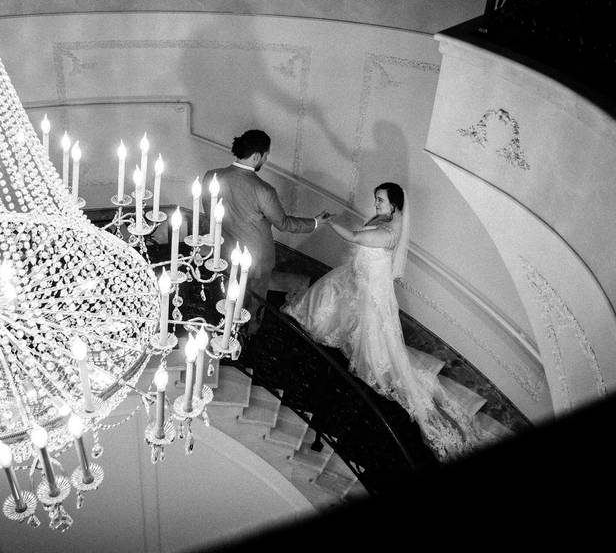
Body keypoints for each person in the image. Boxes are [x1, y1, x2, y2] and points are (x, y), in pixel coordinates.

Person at [282, 182, 482, 460]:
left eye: (380, 200)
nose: (375, 203)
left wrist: (328, 223)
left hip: (372, 289)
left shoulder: (387, 233)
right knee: (338, 305)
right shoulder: (384, 219)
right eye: (375, 198)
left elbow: (353, 236)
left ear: (394, 206)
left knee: (375, 339)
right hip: (360, 278)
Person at [202, 129, 330, 321]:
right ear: (256, 156)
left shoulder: (211, 176)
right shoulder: (264, 190)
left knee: (228, 292)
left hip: (224, 248)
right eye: (266, 155)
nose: (266, 159)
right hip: (257, 257)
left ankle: (223, 324)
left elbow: (208, 211)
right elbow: (284, 223)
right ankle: (250, 331)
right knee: (255, 300)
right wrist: (315, 222)